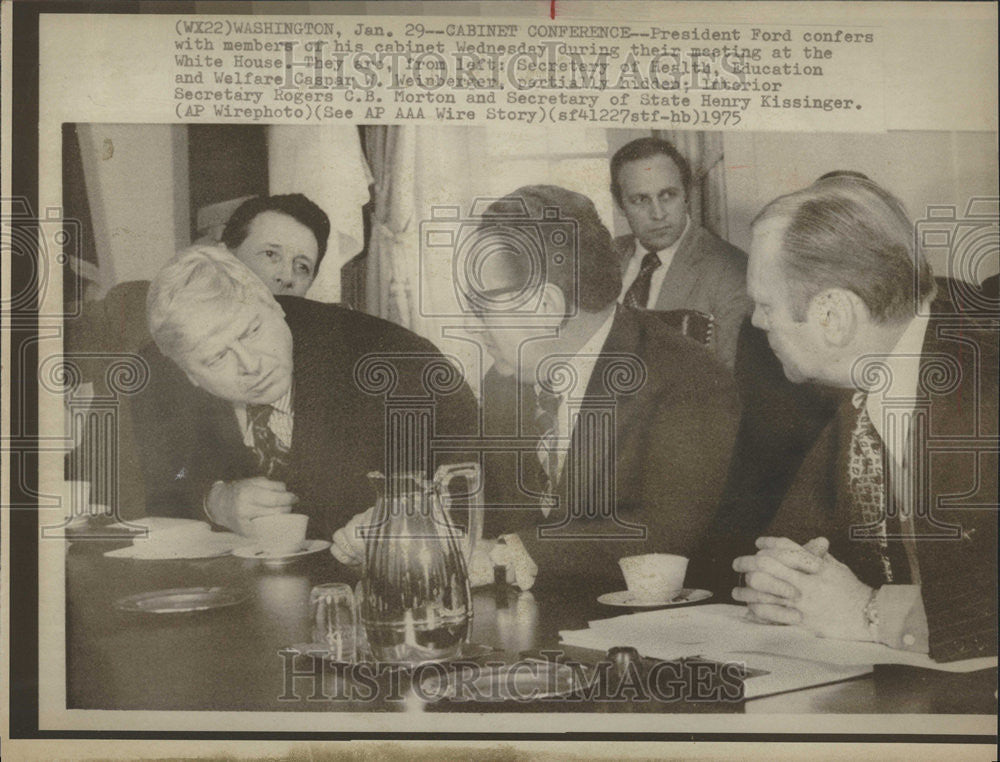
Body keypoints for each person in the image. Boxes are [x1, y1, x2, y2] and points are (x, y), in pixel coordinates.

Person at [417, 184, 737, 587]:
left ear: (547, 307)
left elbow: (663, 532)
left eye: (481, 308)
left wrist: (508, 556)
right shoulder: (505, 379)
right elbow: (474, 490)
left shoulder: (688, 379)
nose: (471, 326)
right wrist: (409, 522)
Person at [732, 176, 997, 662]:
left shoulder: (984, 386)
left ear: (835, 317)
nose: (756, 322)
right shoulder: (868, 381)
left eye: (766, 304)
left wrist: (872, 612)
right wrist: (784, 581)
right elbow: (793, 540)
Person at [132, 245, 478, 540]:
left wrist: (406, 524)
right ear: (188, 374)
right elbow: (161, 486)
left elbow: (474, 489)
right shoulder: (156, 376)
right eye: (218, 357)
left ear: (274, 305)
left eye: (252, 331)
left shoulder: (395, 362)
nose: (251, 365)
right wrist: (213, 501)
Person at [611, 137, 751, 368]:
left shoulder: (731, 271)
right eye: (640, 200)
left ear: (686, 194)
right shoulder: (606, 258)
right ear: (620, 205)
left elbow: (730, 383)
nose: (657, 214)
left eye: (667, 195)